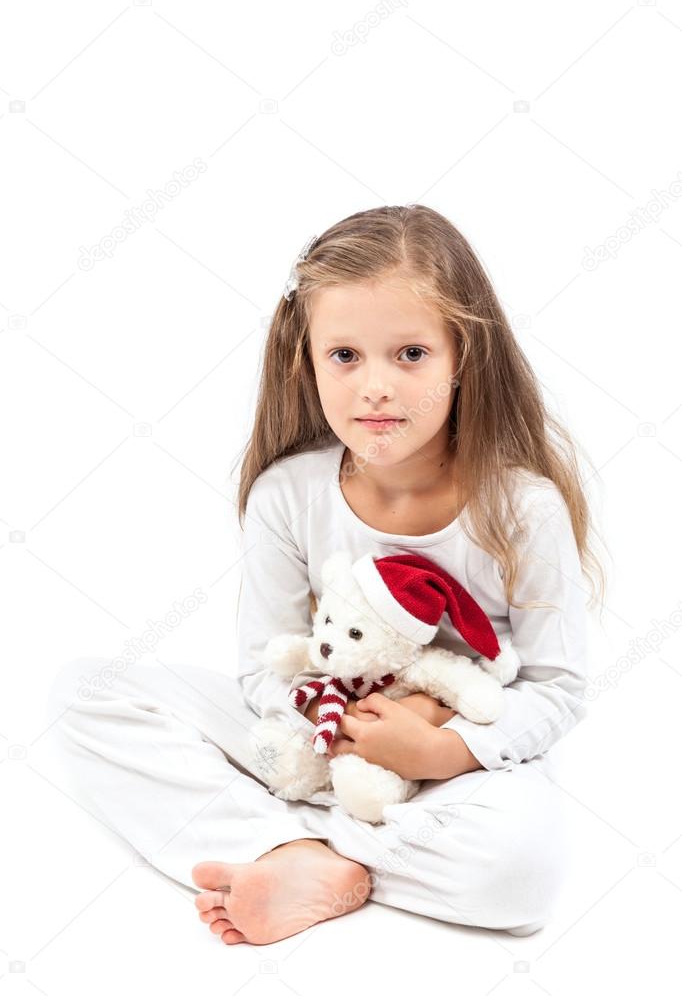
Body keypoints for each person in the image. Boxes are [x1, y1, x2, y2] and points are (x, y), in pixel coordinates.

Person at [46, 203, 605, 946]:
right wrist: (333, 728)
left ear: (463, 357)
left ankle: (299, 840)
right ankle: (301, 849)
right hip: (319, 733)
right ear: (307, 362)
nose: (376, 386)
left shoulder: (522, 507)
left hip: (458, 758)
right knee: (87, 692)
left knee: (519, 874)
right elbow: (263, 669)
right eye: (345, 355)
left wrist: (441, 747)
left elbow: (556, 687)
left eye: (410, 353)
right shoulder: (288, 493)